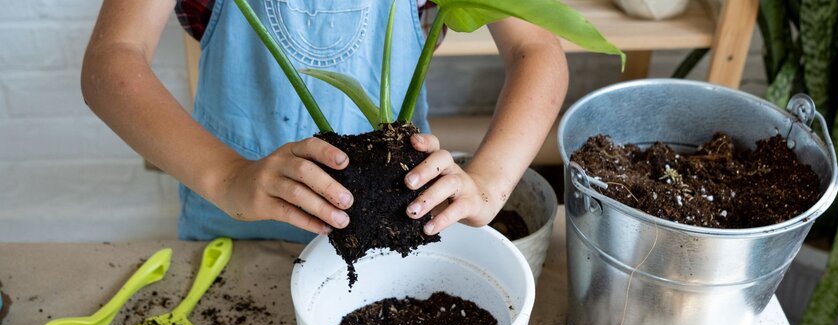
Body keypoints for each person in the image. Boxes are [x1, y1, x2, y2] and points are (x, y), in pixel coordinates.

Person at [82, 0, 568, 243]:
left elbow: (535, 49)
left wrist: (490, 180)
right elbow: (112, 60)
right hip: (234, 223)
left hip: (393, 222)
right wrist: (228, 177)